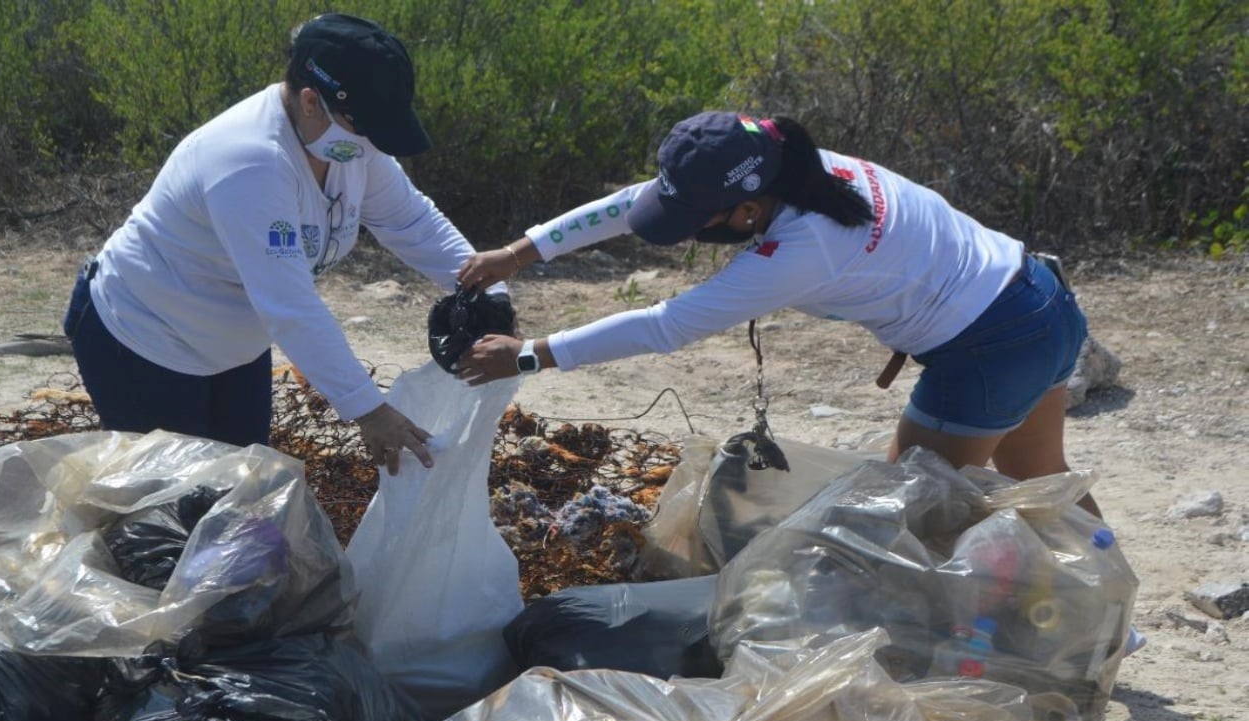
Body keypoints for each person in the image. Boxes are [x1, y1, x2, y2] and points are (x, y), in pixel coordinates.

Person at [456, 110, 1101, 516]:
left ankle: (986, 644)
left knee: (904, 516)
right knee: (1040, 477)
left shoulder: (803, 246)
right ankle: (1107, 613)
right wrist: (520, 252)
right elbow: (636, 200)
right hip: (1039, 294)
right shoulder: (786, 164)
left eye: (695, 220)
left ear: (745, 210)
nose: (685, 230)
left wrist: (529, 353)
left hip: (988, 347)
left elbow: (668, 325)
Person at [63, 13, 507, 474]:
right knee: (166, 510)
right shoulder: (250, 163)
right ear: (312, 101)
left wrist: (487, 291)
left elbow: (411, 221)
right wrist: (368, 409)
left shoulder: (352, 145)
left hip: (234, 348)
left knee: (234, 493)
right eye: (366, 127)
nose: (375, 145)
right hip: (145, 339)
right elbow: (290, 306)